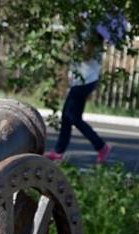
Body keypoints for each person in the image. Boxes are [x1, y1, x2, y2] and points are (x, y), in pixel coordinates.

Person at [45, 15, 125, 165]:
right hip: (82, 80)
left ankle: (101, 146)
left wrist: (73, 52)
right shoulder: (89, 32)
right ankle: (59, 151)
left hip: (85, 80)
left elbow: (86, 56)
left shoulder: (93, 36)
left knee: (73, 117)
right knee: (67, 116)